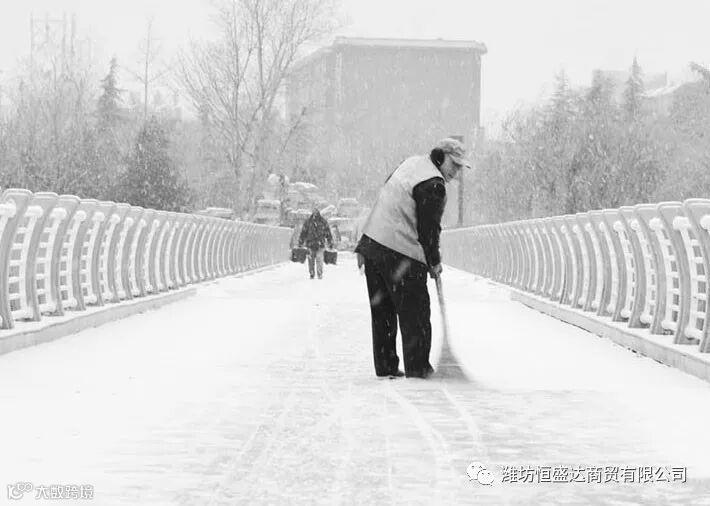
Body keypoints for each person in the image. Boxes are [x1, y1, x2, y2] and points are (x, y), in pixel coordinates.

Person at [355, 138, 471, 379]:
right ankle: (418, 370)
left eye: (460, 167)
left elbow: (386, 194)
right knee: (415, 314)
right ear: (440, 156)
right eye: (454, 165)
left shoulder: (410, 164)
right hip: (400, 252)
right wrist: (434, 261)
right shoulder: (434, 184)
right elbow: (429, 229)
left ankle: (386, 365)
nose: (456, 172)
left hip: (373, 245)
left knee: (383, 311)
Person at [298, 207, 334, 279]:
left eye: (316, 211)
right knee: (311, 260)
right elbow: (303, 233)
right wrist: (301, 241)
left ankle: (319, 273)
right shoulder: (308, 222)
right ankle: (312, 273)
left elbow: (328, 232)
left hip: (320, 244)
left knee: (319, 259)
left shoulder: (323, 222)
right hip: (311, 244)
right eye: (314, 211)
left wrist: (330, 242)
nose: (315, 213)